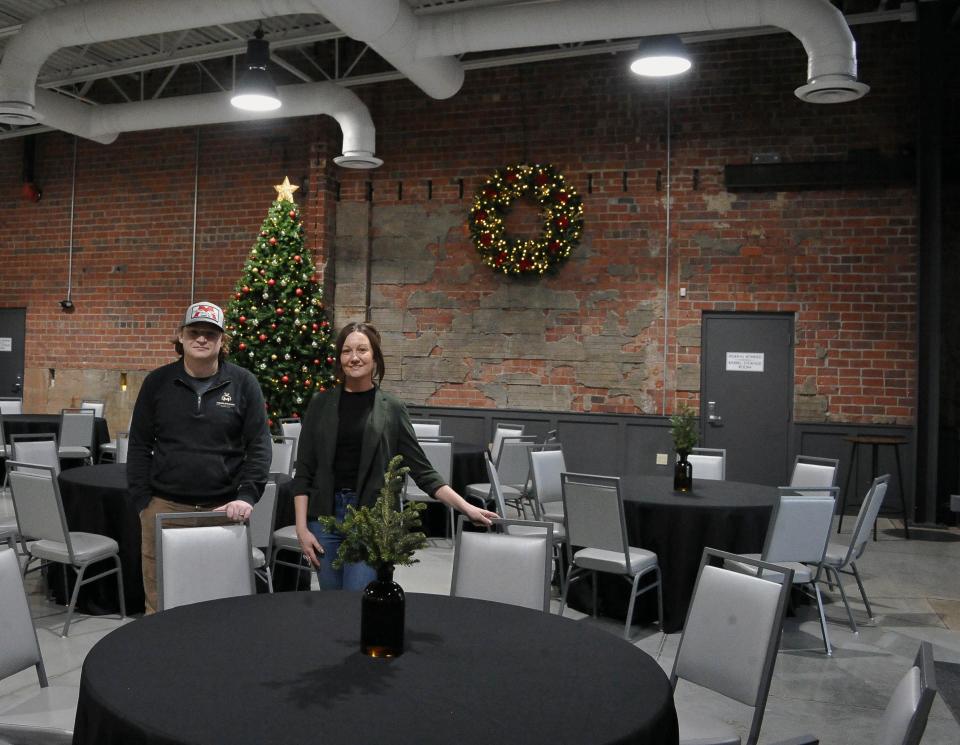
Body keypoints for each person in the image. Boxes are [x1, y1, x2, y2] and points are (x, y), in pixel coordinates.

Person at [292, 321, 497, 590]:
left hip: (371, 520)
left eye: (362, 350)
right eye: (347, 351)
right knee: (331, 605)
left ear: (375, 357)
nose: (354, 357)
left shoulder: (392, 409)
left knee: (358, 599)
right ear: (339, 358)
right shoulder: (320, 404)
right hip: (324, 519)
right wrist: (301, 528)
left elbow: (424, 472)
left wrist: (466, 506)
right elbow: (304, 469)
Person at [128, 301, 272, 613]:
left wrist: (247, 496)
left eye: (211, 333)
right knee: (160, 602)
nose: (202, 338)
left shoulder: (244, 383)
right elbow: (139, 444)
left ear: (223, 340)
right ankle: (163, 658)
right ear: (180, 337)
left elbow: (259, 444)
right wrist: (143, 502)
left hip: (223, 511)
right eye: (194, 331)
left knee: (219, 601)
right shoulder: (157, 383)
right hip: (164, 508)